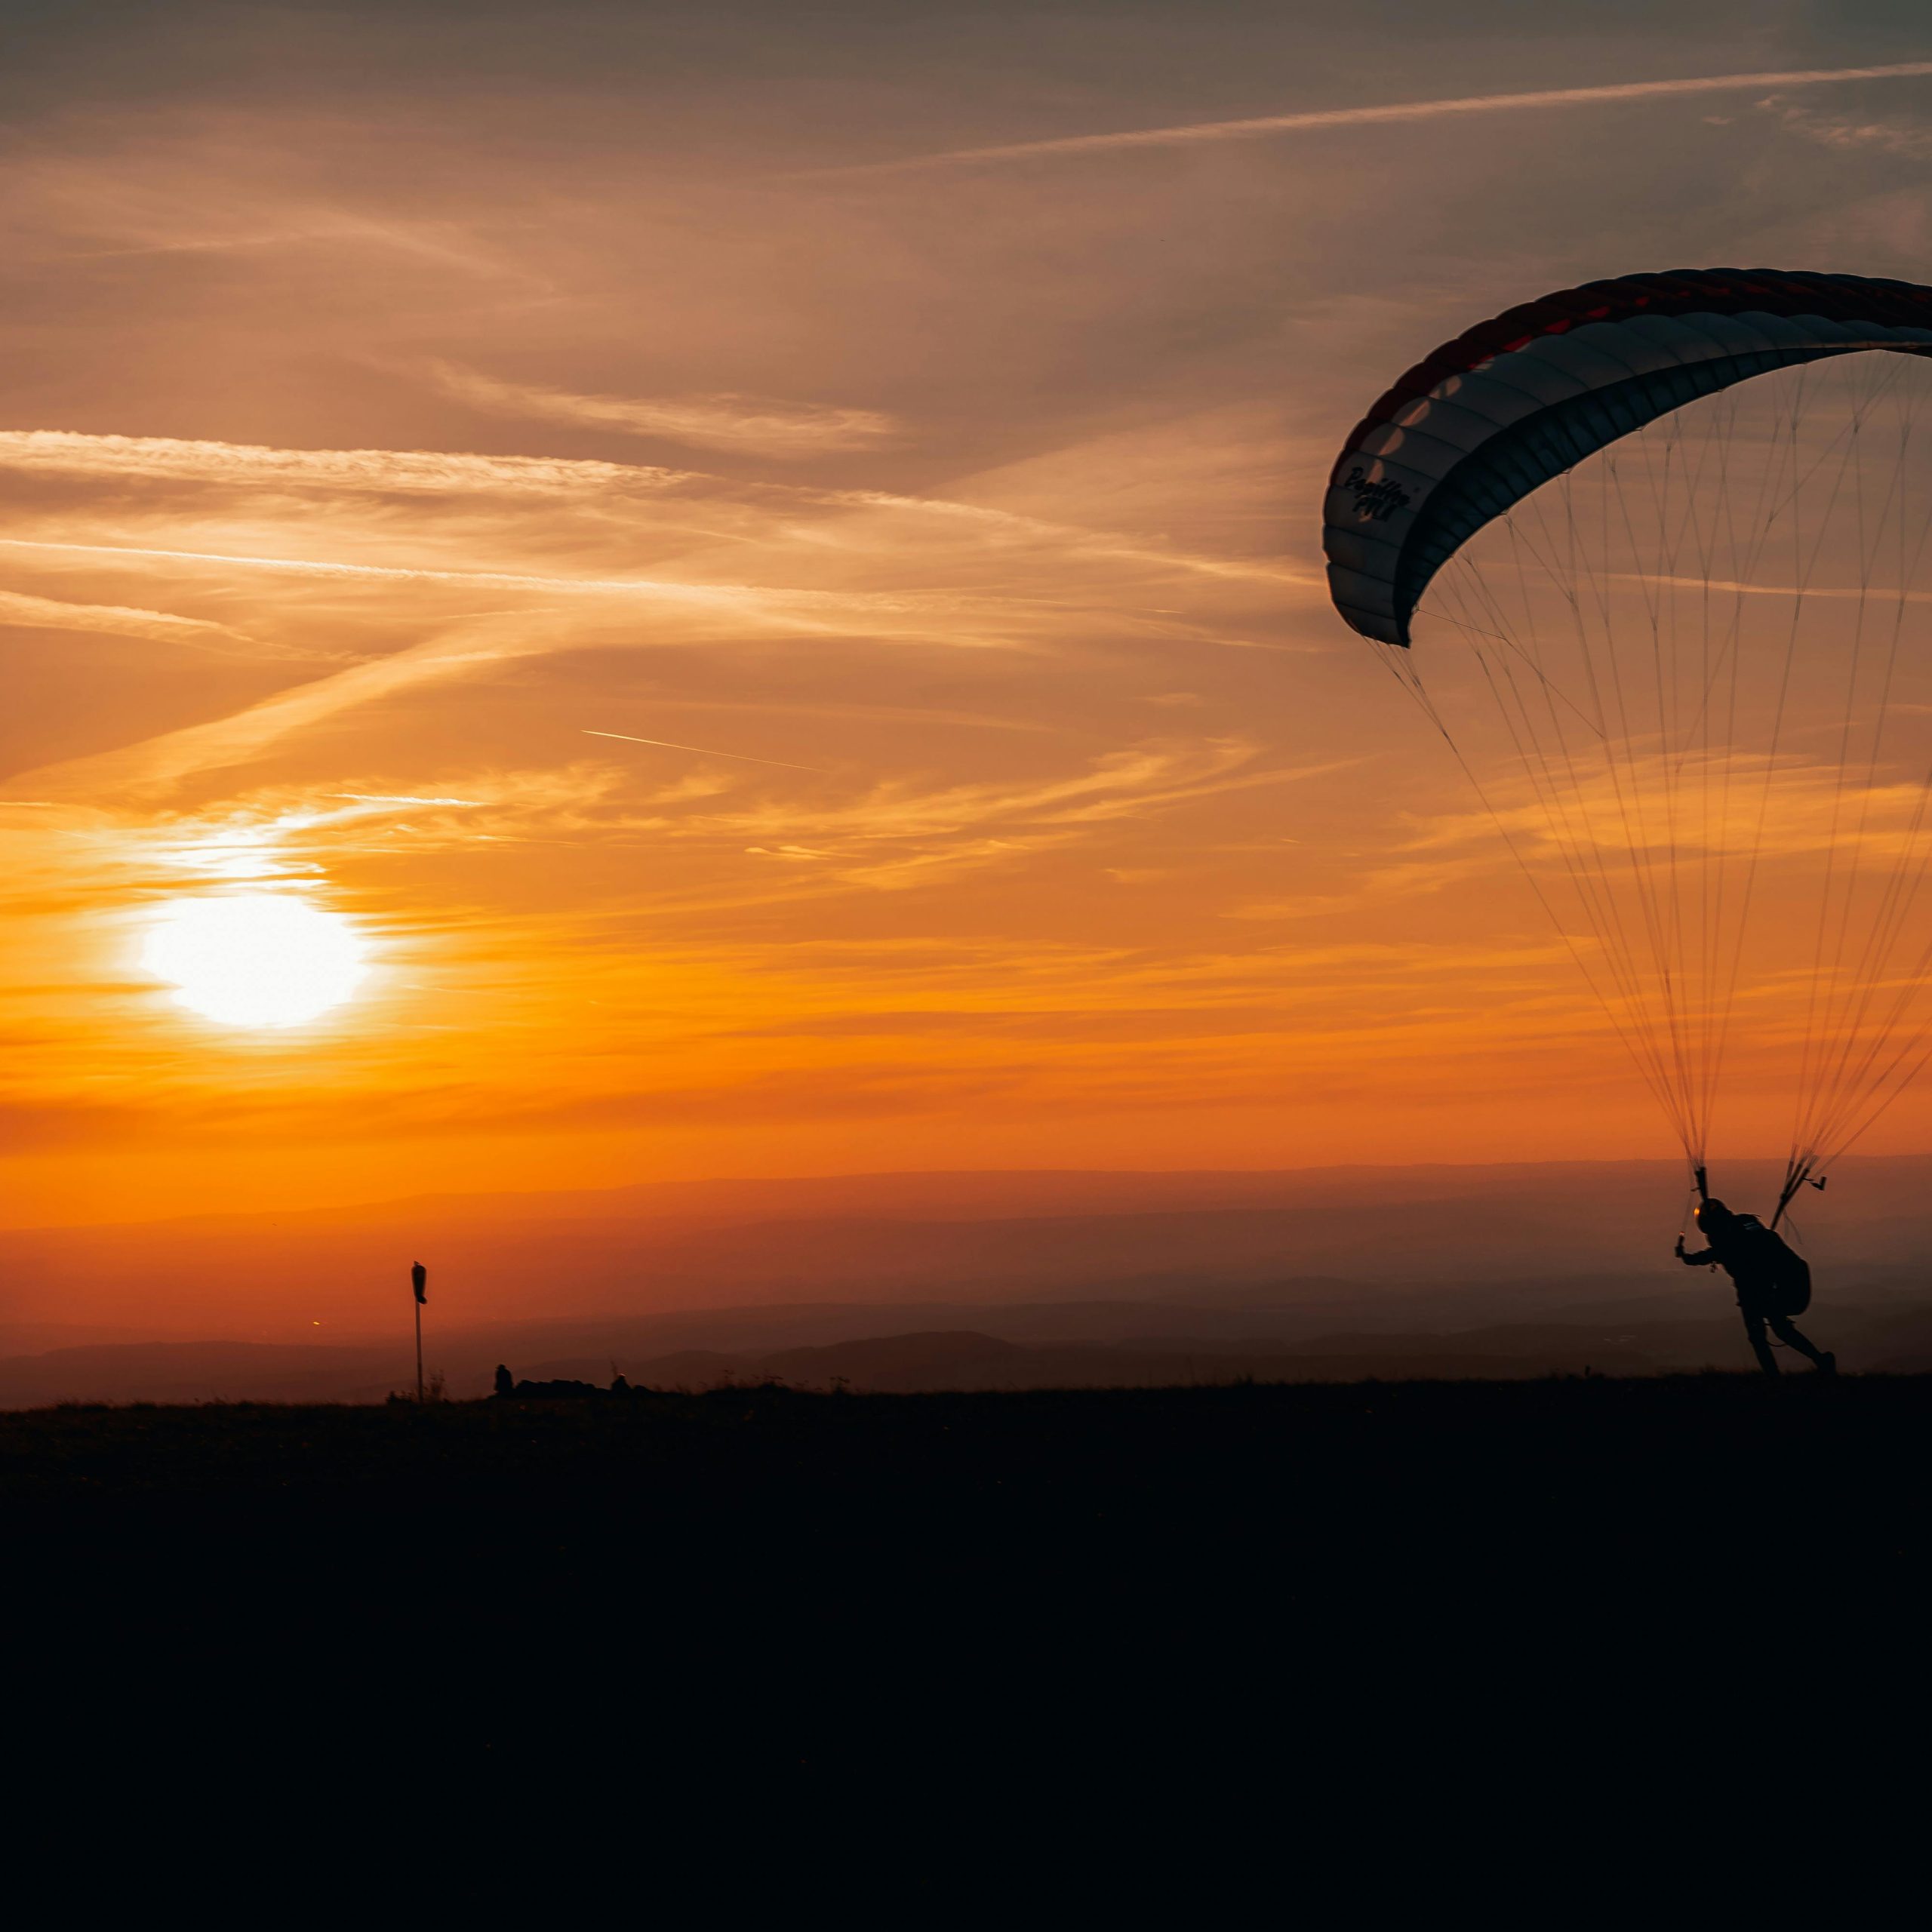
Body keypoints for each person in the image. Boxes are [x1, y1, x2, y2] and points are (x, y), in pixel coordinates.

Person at [1675, 1198, 1835, 1377]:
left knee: (1758, 1336)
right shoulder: (1744, 1226)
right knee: (1781, 1329)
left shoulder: (1728, 1242)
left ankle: (1774, 1377)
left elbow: (1711, 1254)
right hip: (1772, 1284)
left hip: (1754, 1290)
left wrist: (1686, 1258)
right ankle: (1819, 1360)